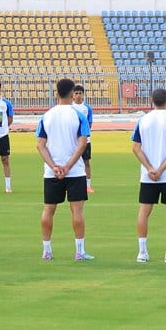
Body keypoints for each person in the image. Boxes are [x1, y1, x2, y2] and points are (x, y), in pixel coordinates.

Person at [37, 78, 92, 260]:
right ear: (71, 93)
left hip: (52, 171)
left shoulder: (47, 116)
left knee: (48, 209)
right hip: (74, 170)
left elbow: (40, 145)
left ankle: (47, 250)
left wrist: (53, 165)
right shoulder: (79, 116)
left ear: (56, 93)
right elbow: (82, 144)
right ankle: (79, 251)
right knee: (77, 210)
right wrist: (68, 166)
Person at [131, 87, 166, 263]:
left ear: (152, 101)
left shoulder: (143, 120)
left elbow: (136, 147)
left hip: (148, 175)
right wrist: (161, 169)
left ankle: (142, 252)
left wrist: (149, 168)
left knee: (144, 211)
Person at [72, 83, 96, 194]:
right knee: (72, 162)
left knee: (86, 162)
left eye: (80, 93)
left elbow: (89, 124)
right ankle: (71, 185)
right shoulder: (70, 108)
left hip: (85, 141)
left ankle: (87, 186)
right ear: (72, 95)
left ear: (83, 94)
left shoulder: (87, 108)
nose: (78, 95)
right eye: (76, 93)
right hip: (72, 141)